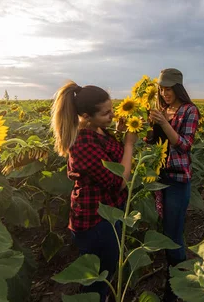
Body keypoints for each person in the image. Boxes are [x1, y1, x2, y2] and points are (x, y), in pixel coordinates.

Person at [51, 81, 137, 302]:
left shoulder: (98, 130)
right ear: (87, 116)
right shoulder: (82, 143)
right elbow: (118, 181)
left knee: (107, 268)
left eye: (112, 109)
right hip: (95, 220)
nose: (113, 115)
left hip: (110, 212)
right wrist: (129, 145)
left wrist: (117, 133)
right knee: (99, 276)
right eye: (106, 113)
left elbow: (109, 153)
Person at [147, 68, 200, 302]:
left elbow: (184, 145)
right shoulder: (162, 110)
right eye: (162, 89)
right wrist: (150, 125)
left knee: (173, 234)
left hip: (178, 179)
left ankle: (176, 286)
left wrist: (163, 123)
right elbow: (153, 142)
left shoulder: (190, 111)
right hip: (160, 177)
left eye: (168, 89)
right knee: (165, 228)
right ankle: (173, 275)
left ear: (178, 88)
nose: (164, 93)